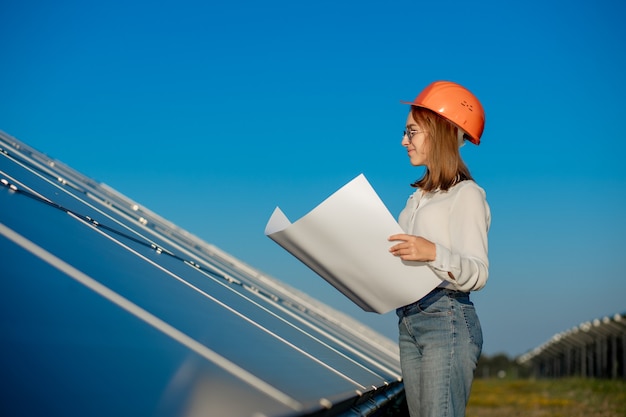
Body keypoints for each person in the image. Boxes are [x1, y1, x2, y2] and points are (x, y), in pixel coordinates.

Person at [387, 81, 490, 417]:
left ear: (439, 132)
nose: (404, 141)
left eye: (411, 131)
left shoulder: (467, 195)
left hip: (445, 318)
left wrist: (433, 252)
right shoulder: (414, 201)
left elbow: (478, 271)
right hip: (409, 320)